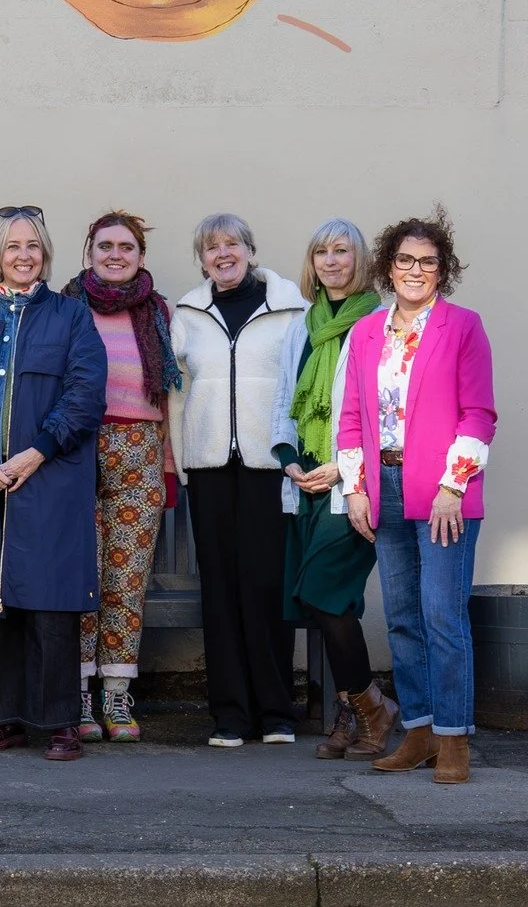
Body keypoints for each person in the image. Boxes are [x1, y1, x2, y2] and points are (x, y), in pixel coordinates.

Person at [0, 208, 107, 762]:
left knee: (51, 601)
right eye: (13, 246)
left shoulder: (71, 317)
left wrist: (37, 452)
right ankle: (3, 718)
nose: (24, 255)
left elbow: (85, 394)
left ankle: (60, 722)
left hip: (50, 477)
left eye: (33, 245)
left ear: (46, 253)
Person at [340, 212, 496, 785]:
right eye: (405, 259)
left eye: (428, 262)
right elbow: (351, 417)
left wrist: (454, 486)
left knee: (442, 615)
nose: (415, 270)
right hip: (383, 487)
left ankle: (454, 738)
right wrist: (354, 488)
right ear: (388, 266)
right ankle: (421, 732)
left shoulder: (463, 326)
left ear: (441, 270)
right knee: (403, 618)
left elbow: (479, 414)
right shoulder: (365, 332)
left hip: (442, 492)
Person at [171, 213, 308, 747]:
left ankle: (276, 712)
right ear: (202, 259)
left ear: (250, 250)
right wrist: (183, 460)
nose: (222, 253)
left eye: (232, 243)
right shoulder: (188, 313)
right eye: (211, 247)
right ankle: (230, 715)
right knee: (221, 590)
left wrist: (296, 453)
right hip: (208, 467)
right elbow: (177, 392)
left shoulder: (290, 308)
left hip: (268, 466)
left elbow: (302, 387)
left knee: (266, 585)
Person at [271, 219, 394, 761]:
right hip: (306, 482)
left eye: (341, 250)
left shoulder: (378, 323)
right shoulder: (304, 326)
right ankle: (357, 711)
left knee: (324, 591)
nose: (330, 260)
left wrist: (343, 469)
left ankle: (370, 708)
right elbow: (284, 400)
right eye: (321, 251)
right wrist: (289, 461)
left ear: (359, 259)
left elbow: (384, 414)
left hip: (354, 484)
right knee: (324, 601)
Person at [62, 212, 180, 743]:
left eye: (126, 247)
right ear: (89, 253)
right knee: (79, 574)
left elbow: (171, 396)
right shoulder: (65, 307)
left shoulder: (158, 312)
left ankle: (116, 691)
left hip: (140, 451)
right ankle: (79, 693)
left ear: (140, 256)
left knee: (126, 580)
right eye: (105, 246)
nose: (115, 254)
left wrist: (169, 466)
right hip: (75, 450)